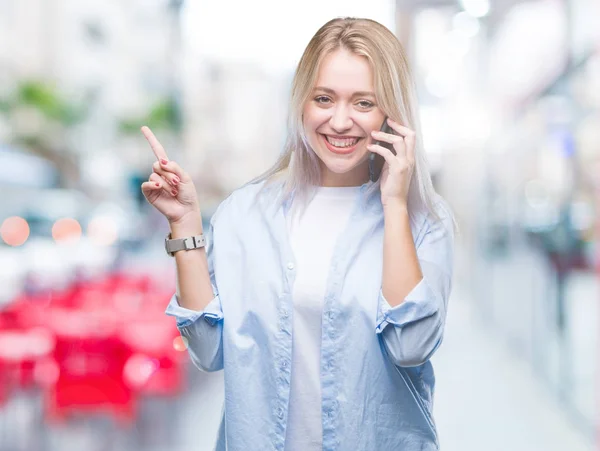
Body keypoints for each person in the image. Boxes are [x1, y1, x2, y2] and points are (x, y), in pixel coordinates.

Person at [141, 16, 455, 451]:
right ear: (301, 103)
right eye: (324, 98)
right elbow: (209, 351)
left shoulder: (424, 222)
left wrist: (395, 204)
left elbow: (412, 346)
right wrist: (185, 224)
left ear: (392, 115)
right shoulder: (243, 214)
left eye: (364, 103)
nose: (340, 121)